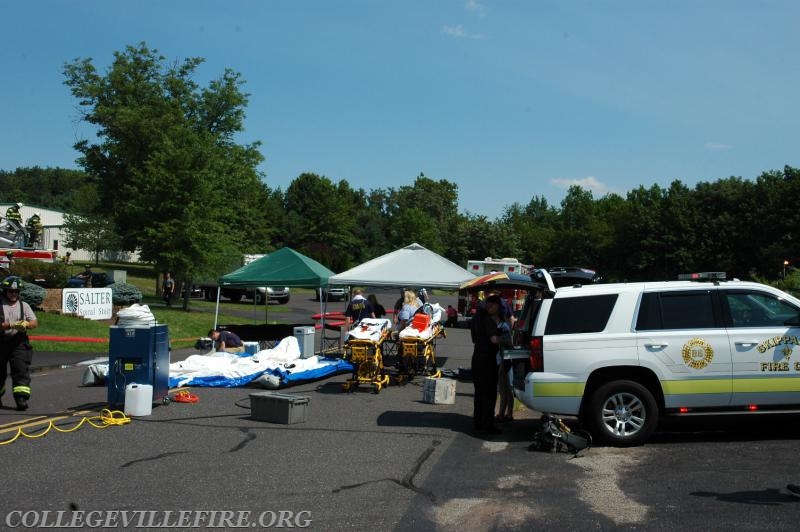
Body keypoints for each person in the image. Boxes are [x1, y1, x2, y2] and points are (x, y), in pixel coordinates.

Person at [0, 276, 38, 411]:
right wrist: (11, 325)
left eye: (16, 292)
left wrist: (26, 324)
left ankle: (21, 398)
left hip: (19, 343)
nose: (13, 294)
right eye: (11, 291)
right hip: (1, 342)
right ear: (5, 291)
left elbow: (34, 322)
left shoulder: (24, 305)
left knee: (21, 369)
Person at [470, 294, 503, 435]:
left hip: (477, 357)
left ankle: (478, 421)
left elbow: (473, 339)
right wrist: (507, 340)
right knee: (489, 393)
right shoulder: (488, 320)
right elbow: (494, 340)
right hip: (488, 359)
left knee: (479, 392)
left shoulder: (475, 319)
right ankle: (488, 423)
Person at [495, 317, 515, 424]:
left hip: (505, 360)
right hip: (503, 359)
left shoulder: (504, 327)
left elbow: (508, 345)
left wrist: (497, 340)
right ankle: (505, 413)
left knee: (505, 388)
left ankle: (505, 413)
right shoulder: (502, 326)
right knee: (505, 388)